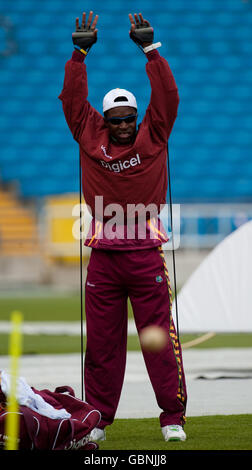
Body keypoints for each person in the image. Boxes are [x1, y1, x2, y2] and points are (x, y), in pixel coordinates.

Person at [59, 11, 187, 443]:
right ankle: (97, 421)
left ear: (137, 116)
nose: (122, 124)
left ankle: (172, 418)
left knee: (159, 342)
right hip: (104, 259)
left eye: (128, 116)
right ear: (105, 120)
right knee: (101, 347)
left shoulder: (156, 132)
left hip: (145, 255)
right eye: (115, 118)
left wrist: (151, 50)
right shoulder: (87, 132)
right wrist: (79, 55)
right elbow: (72, 102)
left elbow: (167, 95)